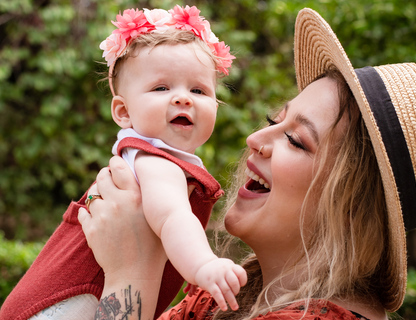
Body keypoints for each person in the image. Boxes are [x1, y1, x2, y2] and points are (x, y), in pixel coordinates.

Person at [77, 7, 416, 320]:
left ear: (350, 206)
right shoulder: (223, 302)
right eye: (273, 121)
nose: (255, 140)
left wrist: (130, 274)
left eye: (295, 140)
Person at [0, 5, 246, 320]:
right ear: (123, 112)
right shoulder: (155, 161)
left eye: (198, 90)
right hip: (63, 303)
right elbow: (171, 217)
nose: (183, 98)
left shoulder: (144, 157)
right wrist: (205, 264)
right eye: (161, 88)